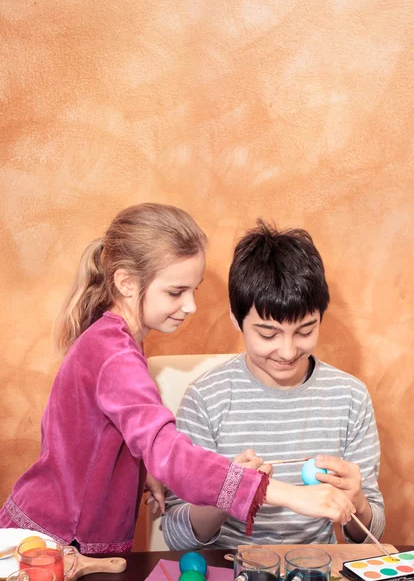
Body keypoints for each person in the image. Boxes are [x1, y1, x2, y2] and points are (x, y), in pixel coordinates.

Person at [0, 205, 355, 554]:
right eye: (175, 292)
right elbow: (168, 449)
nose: (191, 306)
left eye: (193, 291)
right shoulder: (115, 354)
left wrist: (144, 468)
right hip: (51, 544)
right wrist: (288, 494)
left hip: (69, 539)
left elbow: (104, 436)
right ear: (126, 283)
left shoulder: (117, 342)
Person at [163, 221, 385, 550]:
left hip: (314, 566)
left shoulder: (350, 397)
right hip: (233, 566)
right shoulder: (205, 398)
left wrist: (359, 503)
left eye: (305, 330)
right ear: (236, 319)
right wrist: (228, 490)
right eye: (268, 334)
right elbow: (175, 535)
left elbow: (370, 533)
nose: (287, 351)